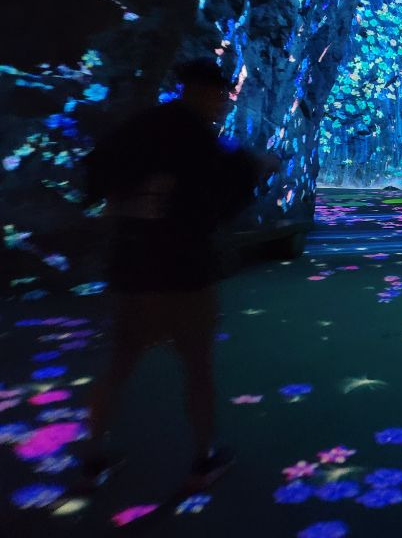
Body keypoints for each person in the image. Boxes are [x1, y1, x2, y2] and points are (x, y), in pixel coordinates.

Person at [79, 58, 273, 494]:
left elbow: (97, 168)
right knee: (197, 363)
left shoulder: (141, 127)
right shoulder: (198, 138)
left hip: (132, 261)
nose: (223, 103)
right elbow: (221, 192)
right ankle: (204, 459)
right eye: (221, 95)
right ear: (205, 91)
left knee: (121, 359)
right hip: (182, 265)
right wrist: (257, 167)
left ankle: (92, 457)